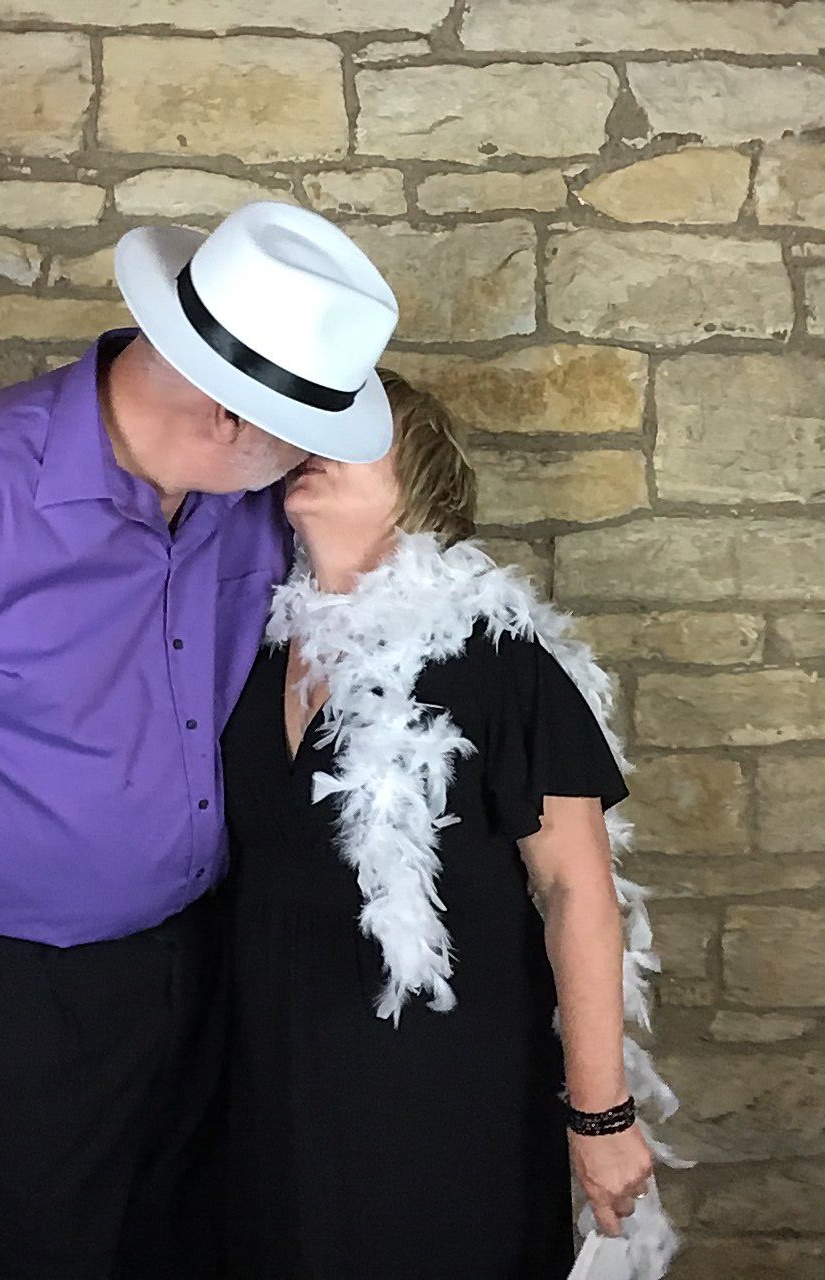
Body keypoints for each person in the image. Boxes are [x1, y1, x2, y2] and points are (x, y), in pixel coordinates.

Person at [0, 201, 399, 1279]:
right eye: (304, 436)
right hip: (10, 980)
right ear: (230, 415)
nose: (311, 464)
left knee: (183, 1247)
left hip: (199, 953)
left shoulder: (245, 503)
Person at [221, 369, 672, 1279]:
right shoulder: (246, 644)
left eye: (353, 435)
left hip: (446, 1085)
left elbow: (575, 888)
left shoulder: (500, 655)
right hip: (266, 1078)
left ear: (418, 481)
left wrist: (601, 1113)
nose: (314, 449)